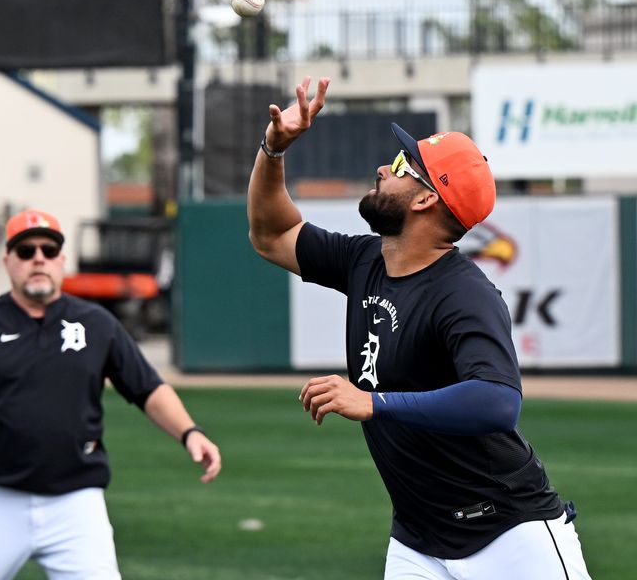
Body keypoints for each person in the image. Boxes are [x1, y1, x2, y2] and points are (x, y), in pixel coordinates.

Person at [247, 77, 591, 580]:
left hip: (508, 535)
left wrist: (374, 402)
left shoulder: (464, 294)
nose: (384, 168)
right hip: (417, 541)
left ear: (427, 200)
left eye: (404, 167)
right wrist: (273, 150)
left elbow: (498, 401)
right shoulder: (365, 260)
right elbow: (271, 234)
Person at [0, 208, 221, 580]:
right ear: (7, 261)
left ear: (61, 261)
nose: (38, 258)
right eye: (25, 251)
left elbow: (147, 388)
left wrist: (189, 432)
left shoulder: (97, 324)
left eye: (49, 251)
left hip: (75, 499)